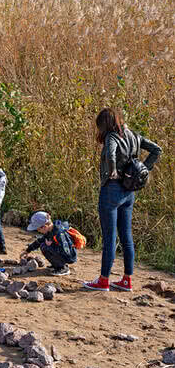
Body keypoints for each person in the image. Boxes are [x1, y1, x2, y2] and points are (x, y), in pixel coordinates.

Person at [84, 108, 161, 291]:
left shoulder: (112, 137)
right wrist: (143, 169)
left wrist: (113, 171)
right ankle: (127, 280)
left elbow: (110, 154)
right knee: (126, 236)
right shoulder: (134, 135)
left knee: (109, 237)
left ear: (105, 124)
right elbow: (157, 150)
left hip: (112, 190)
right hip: (129, 191)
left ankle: (103, 280)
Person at [21, 211, 76, 276]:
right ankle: (57, 265)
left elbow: (67, 251)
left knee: (45, 247)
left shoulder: (60, 233)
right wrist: (28, 250)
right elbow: (40, 241)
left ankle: (63, 268)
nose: (38, 231)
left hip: (69, 256)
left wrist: (52, 245)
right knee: (43, 245)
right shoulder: (50, 231)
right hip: (61, 253)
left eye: (38, 229)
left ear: (44, 226)